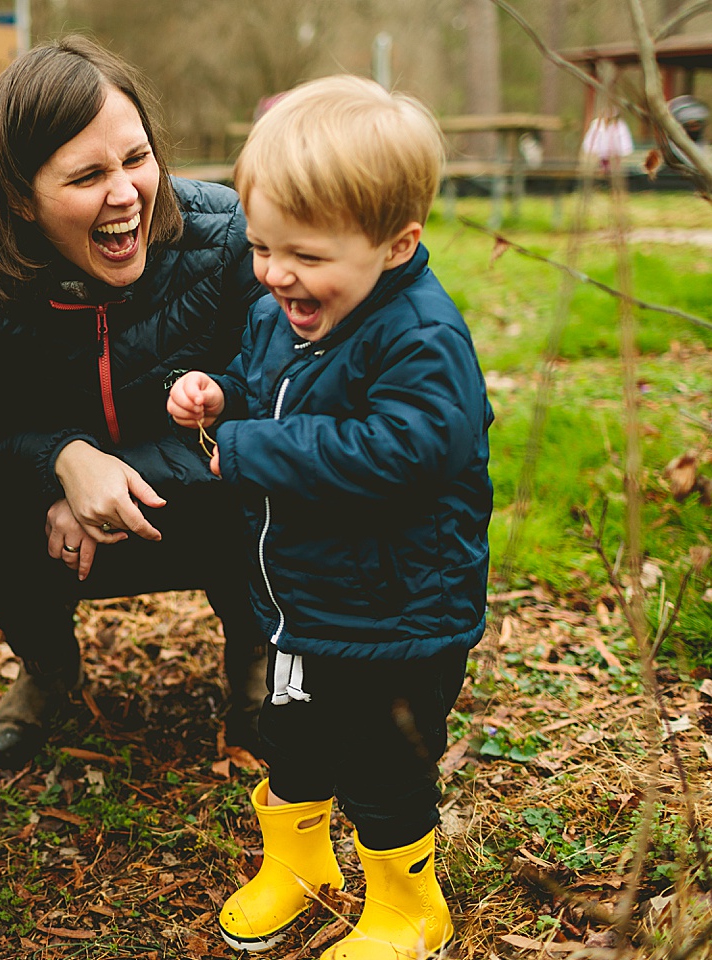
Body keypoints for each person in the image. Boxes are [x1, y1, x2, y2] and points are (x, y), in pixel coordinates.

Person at [167, 75, 491, 957]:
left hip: (396, 619)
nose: (276, 274)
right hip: (303, 609)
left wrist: (252, 448)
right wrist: (218, 394)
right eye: (263, 247)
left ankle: (407, 904)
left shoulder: (420, 338)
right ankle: (303, 862)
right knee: (295, 734)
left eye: (303, 254)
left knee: (383, 766)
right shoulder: (287, 313)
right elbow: (260, 384)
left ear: (396, 244)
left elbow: (406, 451)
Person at [0, 36, 267, 768]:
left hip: (215, 508)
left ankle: (256, 665)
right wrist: (65, 460)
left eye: (137, 159)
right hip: (76, 541)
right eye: (87, 175)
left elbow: (266, 402)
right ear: (21, 196)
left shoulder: (227, 237)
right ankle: (51, 671)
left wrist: (104, 474)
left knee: (276, 484)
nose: (125, 194)